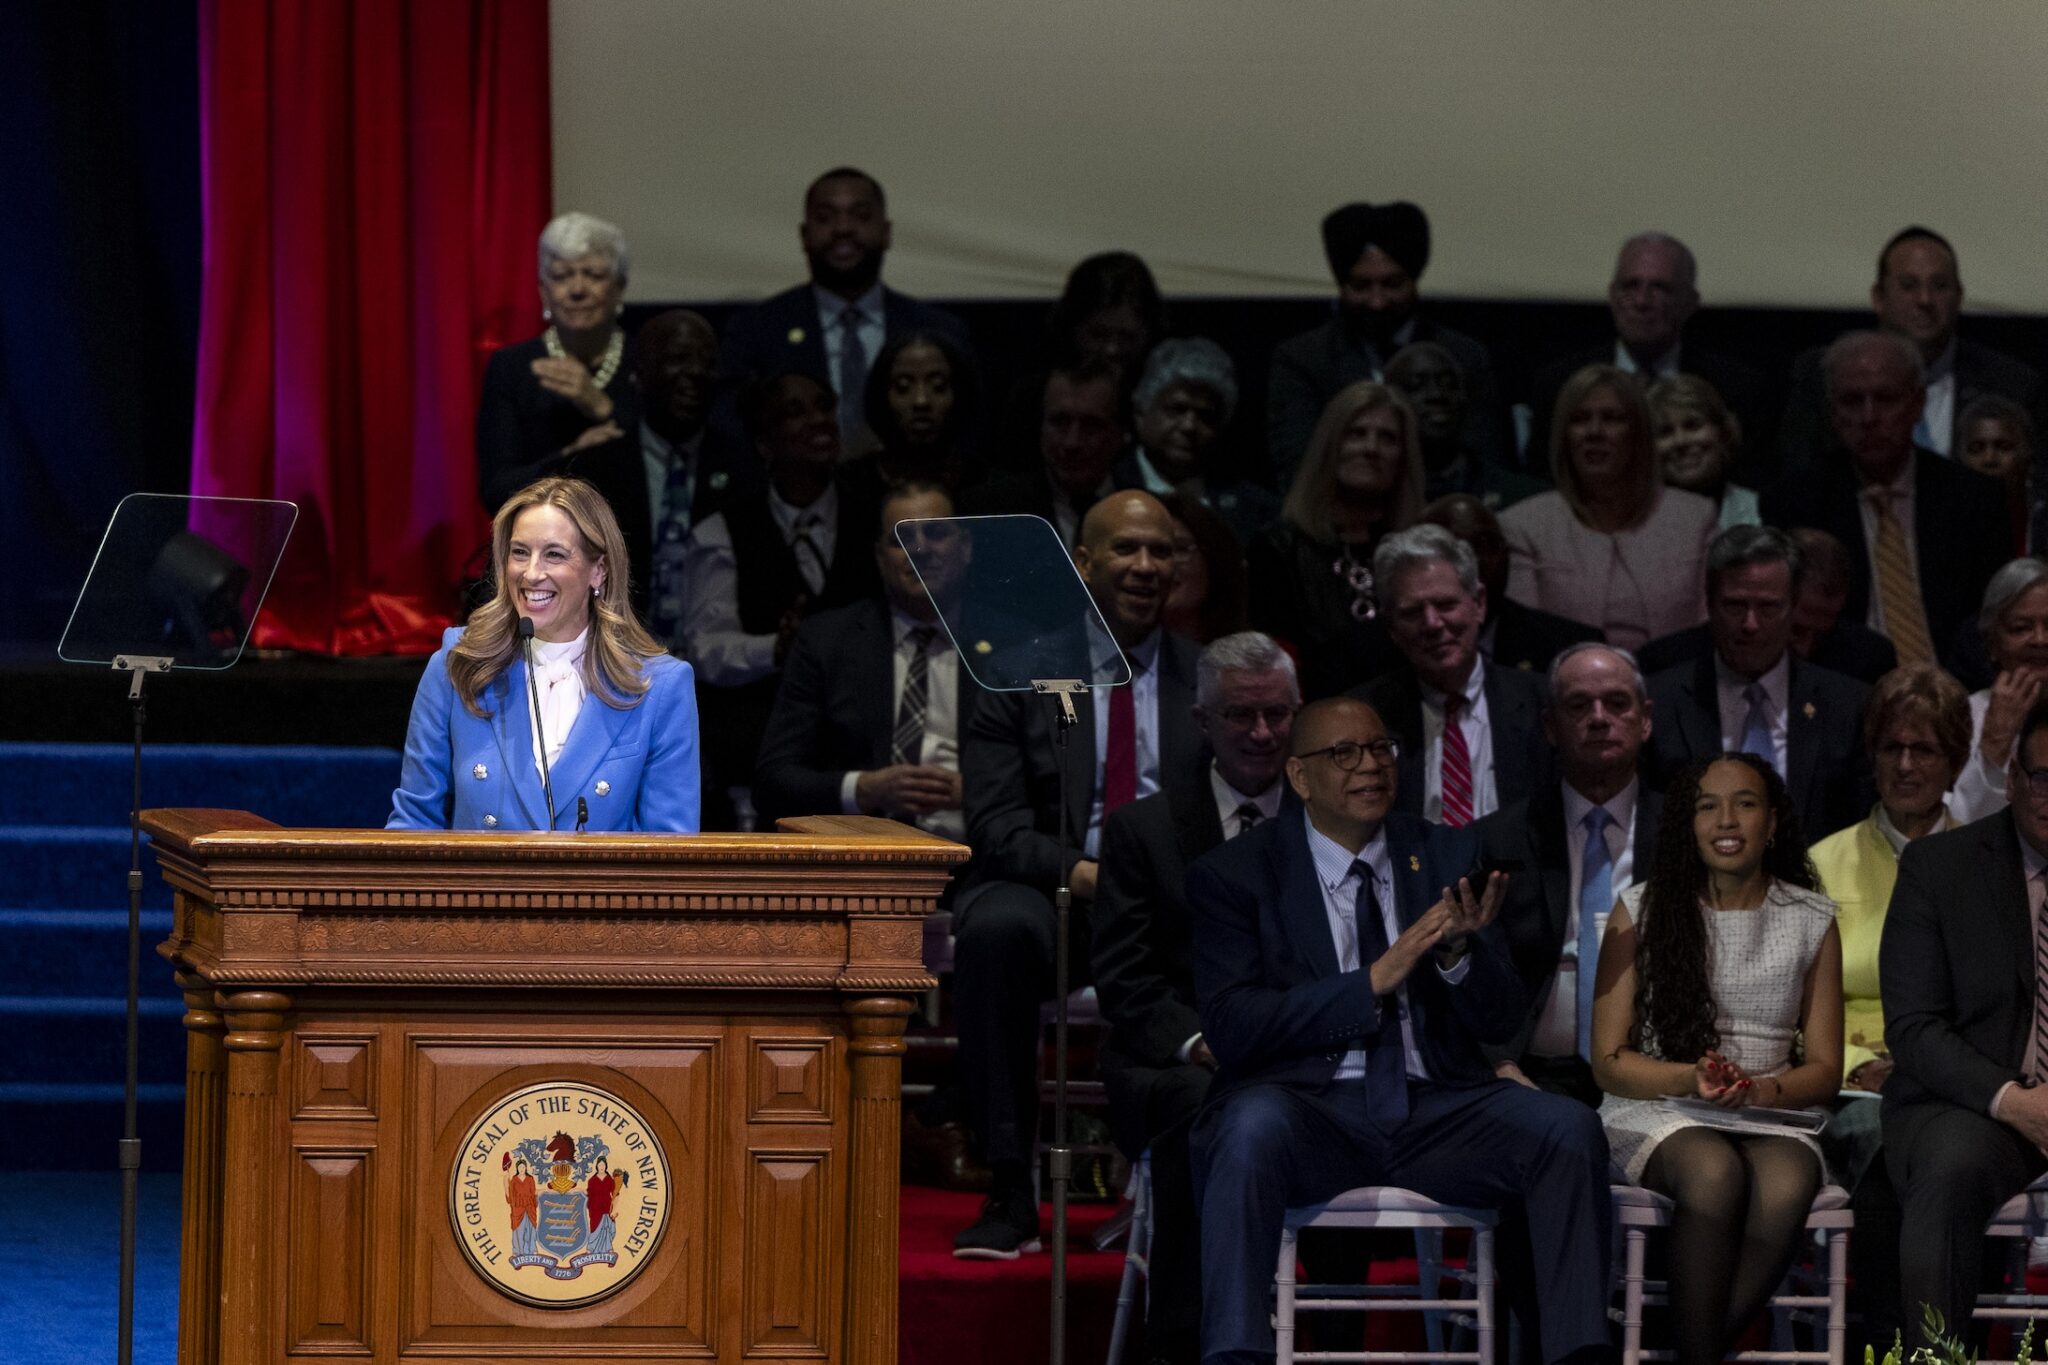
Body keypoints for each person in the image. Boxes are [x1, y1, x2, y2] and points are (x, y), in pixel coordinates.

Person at [1187, 695, 1613, 1365]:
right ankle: (1236, 1354)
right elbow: (1235, 1025)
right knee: (1246, 1128)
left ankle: (1577, 1354)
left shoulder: (1446, 852)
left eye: (1381, 749)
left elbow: (1501, 1017)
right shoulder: (1238, 873)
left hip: (1437, 1108)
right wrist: (1370, 982)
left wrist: (1457, 954)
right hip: (1309, 1112)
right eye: (1344, 753)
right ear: (1299, 777)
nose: (1370, 766)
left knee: (1566, 1129)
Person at [951, 491, 1200, 1258]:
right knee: (993, 929)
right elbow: (996, 828)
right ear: (1083, 563)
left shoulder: (1209, 678)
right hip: (1062, 894)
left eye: (1161, 550)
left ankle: (1186, 1185)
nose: (1146, 566)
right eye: (1126, 549)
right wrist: (1094, 875)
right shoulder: (1016, 670)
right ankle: (1009, 1187)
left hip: (1173, 907)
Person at [1592, 752, 1843, 1365]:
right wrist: (1690, 1077)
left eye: (1745, 804)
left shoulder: (1811, 919)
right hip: (1658, 1104)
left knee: (1789, 1180)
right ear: (1689, 822)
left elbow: (1824, 1069)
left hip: (1768, 1110)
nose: (1726, 820)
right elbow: (1608, 1060)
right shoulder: (1641, 908)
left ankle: (1686, 1352)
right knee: (1713, 1170)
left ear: (1772, 823)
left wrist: (1757, 1090)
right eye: (1708, 806)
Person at [1090, 631, 1300, 1365]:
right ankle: (1188, 1339)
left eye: (1277, 713)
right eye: (1241, 715)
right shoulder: (1142, 829)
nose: (1262, 733)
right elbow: (1126, 979)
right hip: (1180, 1057)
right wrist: (1205, 1042)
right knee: (1202, 1104)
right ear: (1202, 720)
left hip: (1302, 1044)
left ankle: (1332, 1338)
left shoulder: (1333, 820)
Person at [388, 476, 700, 832]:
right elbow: (413, 825)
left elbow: (669, 850)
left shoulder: (658, 686)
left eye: (554, 555)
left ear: (598, 571)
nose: (532, 573)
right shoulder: (458, 665)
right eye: (520, 552)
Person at [1881, 698, 2048, 1341]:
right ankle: (1935, 1357)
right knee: (1950, 1168)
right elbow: (1915, 1028)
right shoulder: (1940, 867)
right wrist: (2013, 1101)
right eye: (2044, 778)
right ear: (2014, 779)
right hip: (1975, 1106)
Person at [681, 372, 881, 828]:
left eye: (824, 407)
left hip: (861, 752)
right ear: (764, 442)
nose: (819, 421)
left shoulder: (873, 517)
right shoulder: (724, 530)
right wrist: (774, 648)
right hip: (761, 752)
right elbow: (706, 650)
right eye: (795, 413)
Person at [1476, 642, 1663, 1107]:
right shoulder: (1498, 839)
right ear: (1550, 726)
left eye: (1617, 703)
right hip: (1528, 1075)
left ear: (1645, 719)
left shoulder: (1686, 832)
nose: (1599, 718)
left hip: (1659, 1073)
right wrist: (1499, 1064)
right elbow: (1469, 970)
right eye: (1579, 705)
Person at [1762, 330, 2010, 672]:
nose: (1869, 417)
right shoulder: (1796, 501)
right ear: (1832, 411)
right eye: (1852, 401)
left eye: (1885, 399)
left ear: (1917, 404)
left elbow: (1991, 619)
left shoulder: (1974, 499)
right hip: (1844, 685)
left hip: (1955, 684)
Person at [1809, 665, 1969, 1191]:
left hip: (1957, 1085)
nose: (1904, 765)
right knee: (1883, 1131)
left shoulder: (1989, 867)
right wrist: (1857, 1066)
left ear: (1956, 763)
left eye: (1924, 750)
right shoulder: (1820, 864)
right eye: (1891, 748)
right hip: (1850, 1088)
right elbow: (1786, 1004)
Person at [753, 481, 976, 837]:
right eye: (901, 538)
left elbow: (1052, 779)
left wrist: (978, 793)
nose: (920, 550)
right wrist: (863, 789)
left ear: (965, 547)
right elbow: (773, 780)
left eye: (936, 534)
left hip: (980, 851)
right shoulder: (827, 641)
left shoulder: (1008, 645)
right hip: (857, 850)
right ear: (879, 557)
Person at [717, 167, 969, 455]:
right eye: (825, 217)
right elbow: (733, 431)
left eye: (861, 215)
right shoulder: (756, 330)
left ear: (887, 233)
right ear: (804, 235)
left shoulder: (939, 330)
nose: (843, 228)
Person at [1642, 525, 1872, 840]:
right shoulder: (1661, 704)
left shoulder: (1848, 706)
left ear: (1793, 606)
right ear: (1709, 604)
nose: (1750, 624)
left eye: (1768, 607)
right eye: (1735, 606)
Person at [1268, 201, 1502, 485]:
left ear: (1414, 280)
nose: (1377, 302)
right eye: (1361, 286)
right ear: (1341, 286)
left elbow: (1486, 467)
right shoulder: (1304, 360)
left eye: (1392, 285)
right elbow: (1299, 469)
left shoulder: (1464, 357)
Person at [1780, 226, 2044, 469]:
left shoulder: (2011, 385)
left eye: (1939, 286)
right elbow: (1794, 478)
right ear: (1878, 297)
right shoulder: (1824, 376)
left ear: (1959, 297)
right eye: (1908, 286)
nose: (1925, 299)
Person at [1500, 365, 1719, 649]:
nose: (1594, 432)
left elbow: (1709, 634)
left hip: (1678, 674)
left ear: (1639, 433)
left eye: (1612, 418)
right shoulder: (1523, 525)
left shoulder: (1695, 518)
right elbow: (1526, 642)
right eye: (1579, 419)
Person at [1351, 525, 1553, 826]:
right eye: (1412, 612)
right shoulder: (1362, 718)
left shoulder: (1544, 704)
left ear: (1479, 603)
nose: (1432, 623)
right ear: (1391, 626)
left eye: (1446, 604)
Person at [574, 308, 760, 635]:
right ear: (640, 372)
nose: (696, 372)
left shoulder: (747, 468)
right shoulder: (595, 471)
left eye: (707, 363)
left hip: (721, 655)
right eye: (679, 359)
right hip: (614, 649)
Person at [1527, 233, 1772, 475]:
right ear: (1612, 296)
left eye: (1660, 288)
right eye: (1630, 286)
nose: (1642, 301)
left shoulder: (1737, 390)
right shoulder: (1560, 385)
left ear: (1690, 302)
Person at [1245, 380, 1424, 698]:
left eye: (1388, 438)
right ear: (1329, 445)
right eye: (1356, 433)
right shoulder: (1279, 549)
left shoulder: (1418, 552)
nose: (1371, 448)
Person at [476, 213, 640, 513]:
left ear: (619, 287)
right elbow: (496, 489)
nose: (577, 290)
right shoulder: (511, 368)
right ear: (543, 291)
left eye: (593, 275)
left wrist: (601, 406)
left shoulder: (645, 359)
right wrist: (572, 457)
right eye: (562, 276)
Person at [997, 252, 1167, 472]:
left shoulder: (1165, 401)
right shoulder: (1033, 397)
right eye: (1098, 334)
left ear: (1148, 333)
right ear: (1073, 328)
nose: (1112, 349)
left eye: (1126, 337)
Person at [1119, 337, 1280, 546]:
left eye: (1206, 416)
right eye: (1177, 409)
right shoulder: (1108, 487)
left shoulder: (1255, 509)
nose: (1190, 426)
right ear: (1141, 412)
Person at [1419, 493, 1603, 674]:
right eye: (1452, 550)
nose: (1473, 561)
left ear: (1507, 554)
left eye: (1485, 544)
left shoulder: (1574, 650)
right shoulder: (1404, 647)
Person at [962, 359, 1136, 546]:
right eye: (1060, 422)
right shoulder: (989, 511)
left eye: (1091, 425)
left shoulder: (1147, 512)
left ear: (1121, 432)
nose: (1072, 442)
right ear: (1041, 425)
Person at [1385, 341, 1545, 512]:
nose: (1437, 395)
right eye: (1416, 386)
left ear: (1466, 400)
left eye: (1449, 384)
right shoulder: (1376, 498)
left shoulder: (1523, 498)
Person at [1947, 558, 2048, 823]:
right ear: (1992, 643)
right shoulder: (1962, 718)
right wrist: (1995, 741)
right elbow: (1957, 825)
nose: (2040, 639)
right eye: (2021, 628)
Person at [844, 329, 980, 501]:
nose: (921, 401)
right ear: (881, 395)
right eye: (903, 387)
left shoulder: (986, 486)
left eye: (938, 386)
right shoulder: (848, 489)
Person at [1649, 374, 1760, 531]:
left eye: (1692, 426)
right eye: (1665, 432)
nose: (1680, 441)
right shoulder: (1631, 519)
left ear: (1722, 433)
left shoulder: (1759, 511)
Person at [1160, 492, 1249, 645]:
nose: (1164, 564)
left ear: (1213, 559)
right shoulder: (1118, 654)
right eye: (1157, 551)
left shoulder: (1263, 656)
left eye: (1181, 549)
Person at [1956, 393, 2035, 555]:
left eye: (2004, 447)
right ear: (1961, 457)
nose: (1989, 459)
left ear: (2027, 454)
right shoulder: (1939, 523)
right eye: (1977, 448)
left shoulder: (2040, 521)